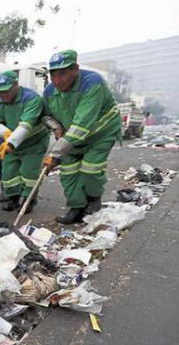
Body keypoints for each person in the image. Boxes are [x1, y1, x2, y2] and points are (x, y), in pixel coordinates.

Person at [42, 49, 122, 224]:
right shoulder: (49, 91)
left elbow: (82, 124)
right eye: (53, 75)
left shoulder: (92, 83)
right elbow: (46, 115)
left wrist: (54, 156)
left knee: (90, 169)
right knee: (68, 172)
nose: (57, 80)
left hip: (100, 132)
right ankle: (76, 208)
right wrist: (55, 126)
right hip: (72, 137)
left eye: (62, 74)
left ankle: (93, 199)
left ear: (75, 69)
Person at [0, 71, 50, 213]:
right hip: (11, 143)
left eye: (7, 90)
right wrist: (6, 133)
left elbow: (26, 125)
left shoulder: (32, 99)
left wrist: (11, 141)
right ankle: (13, 198)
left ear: (16, 85)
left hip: (34, 143)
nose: (3, 95)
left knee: (29, 173)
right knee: (9, 172)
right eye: (0, 91)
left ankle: (29, 199)